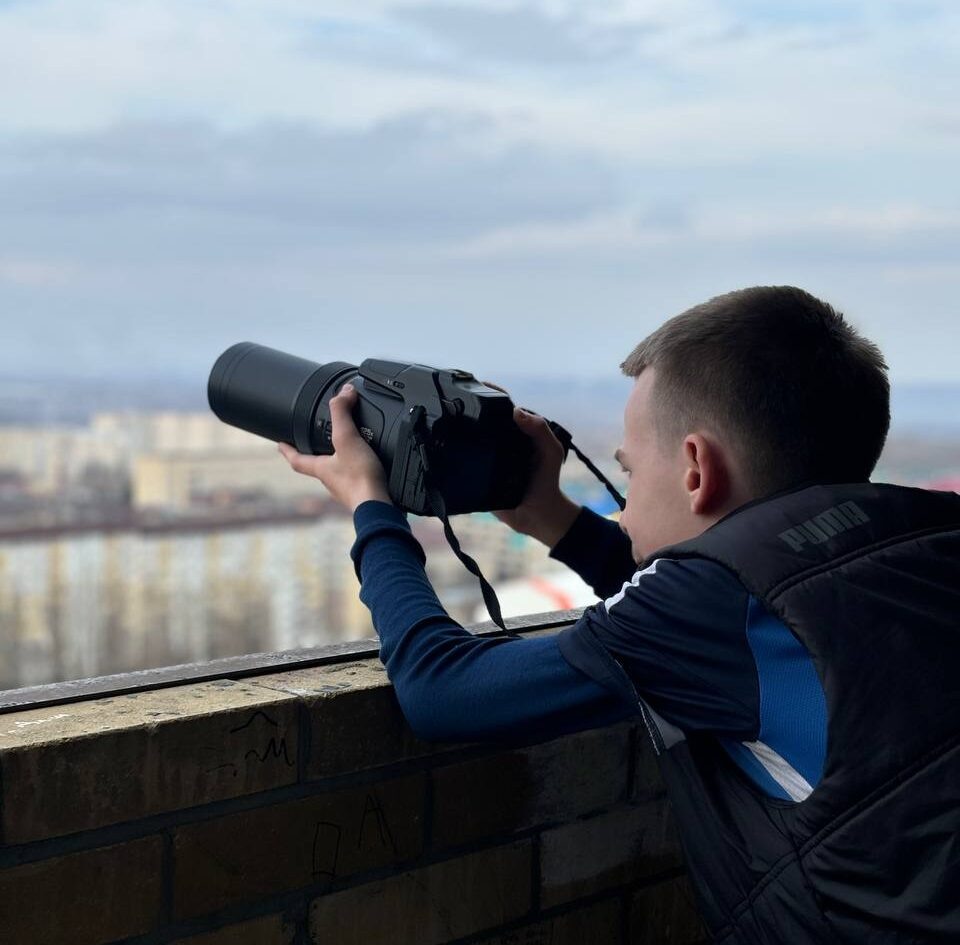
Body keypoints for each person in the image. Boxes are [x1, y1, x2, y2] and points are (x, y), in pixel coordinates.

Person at [278, 286, 960, 944]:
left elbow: (442, 690)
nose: (625, 506)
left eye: (630, 474)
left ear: (696, 468)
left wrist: (371, 504)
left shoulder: (715, 604)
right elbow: (720, 619)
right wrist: (552, 518)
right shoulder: (924, 539)